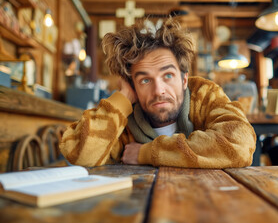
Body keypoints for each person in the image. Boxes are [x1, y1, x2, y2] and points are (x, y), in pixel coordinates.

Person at [60, 18, 256, 168]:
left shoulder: (203, 95)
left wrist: (146, 153)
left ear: (184, 80)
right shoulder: (123, 122)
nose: (158, 90)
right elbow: (78, 155)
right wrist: (123, 97)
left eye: (168, 76)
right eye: (144, 80)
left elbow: (240, 143)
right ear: (133, 86)